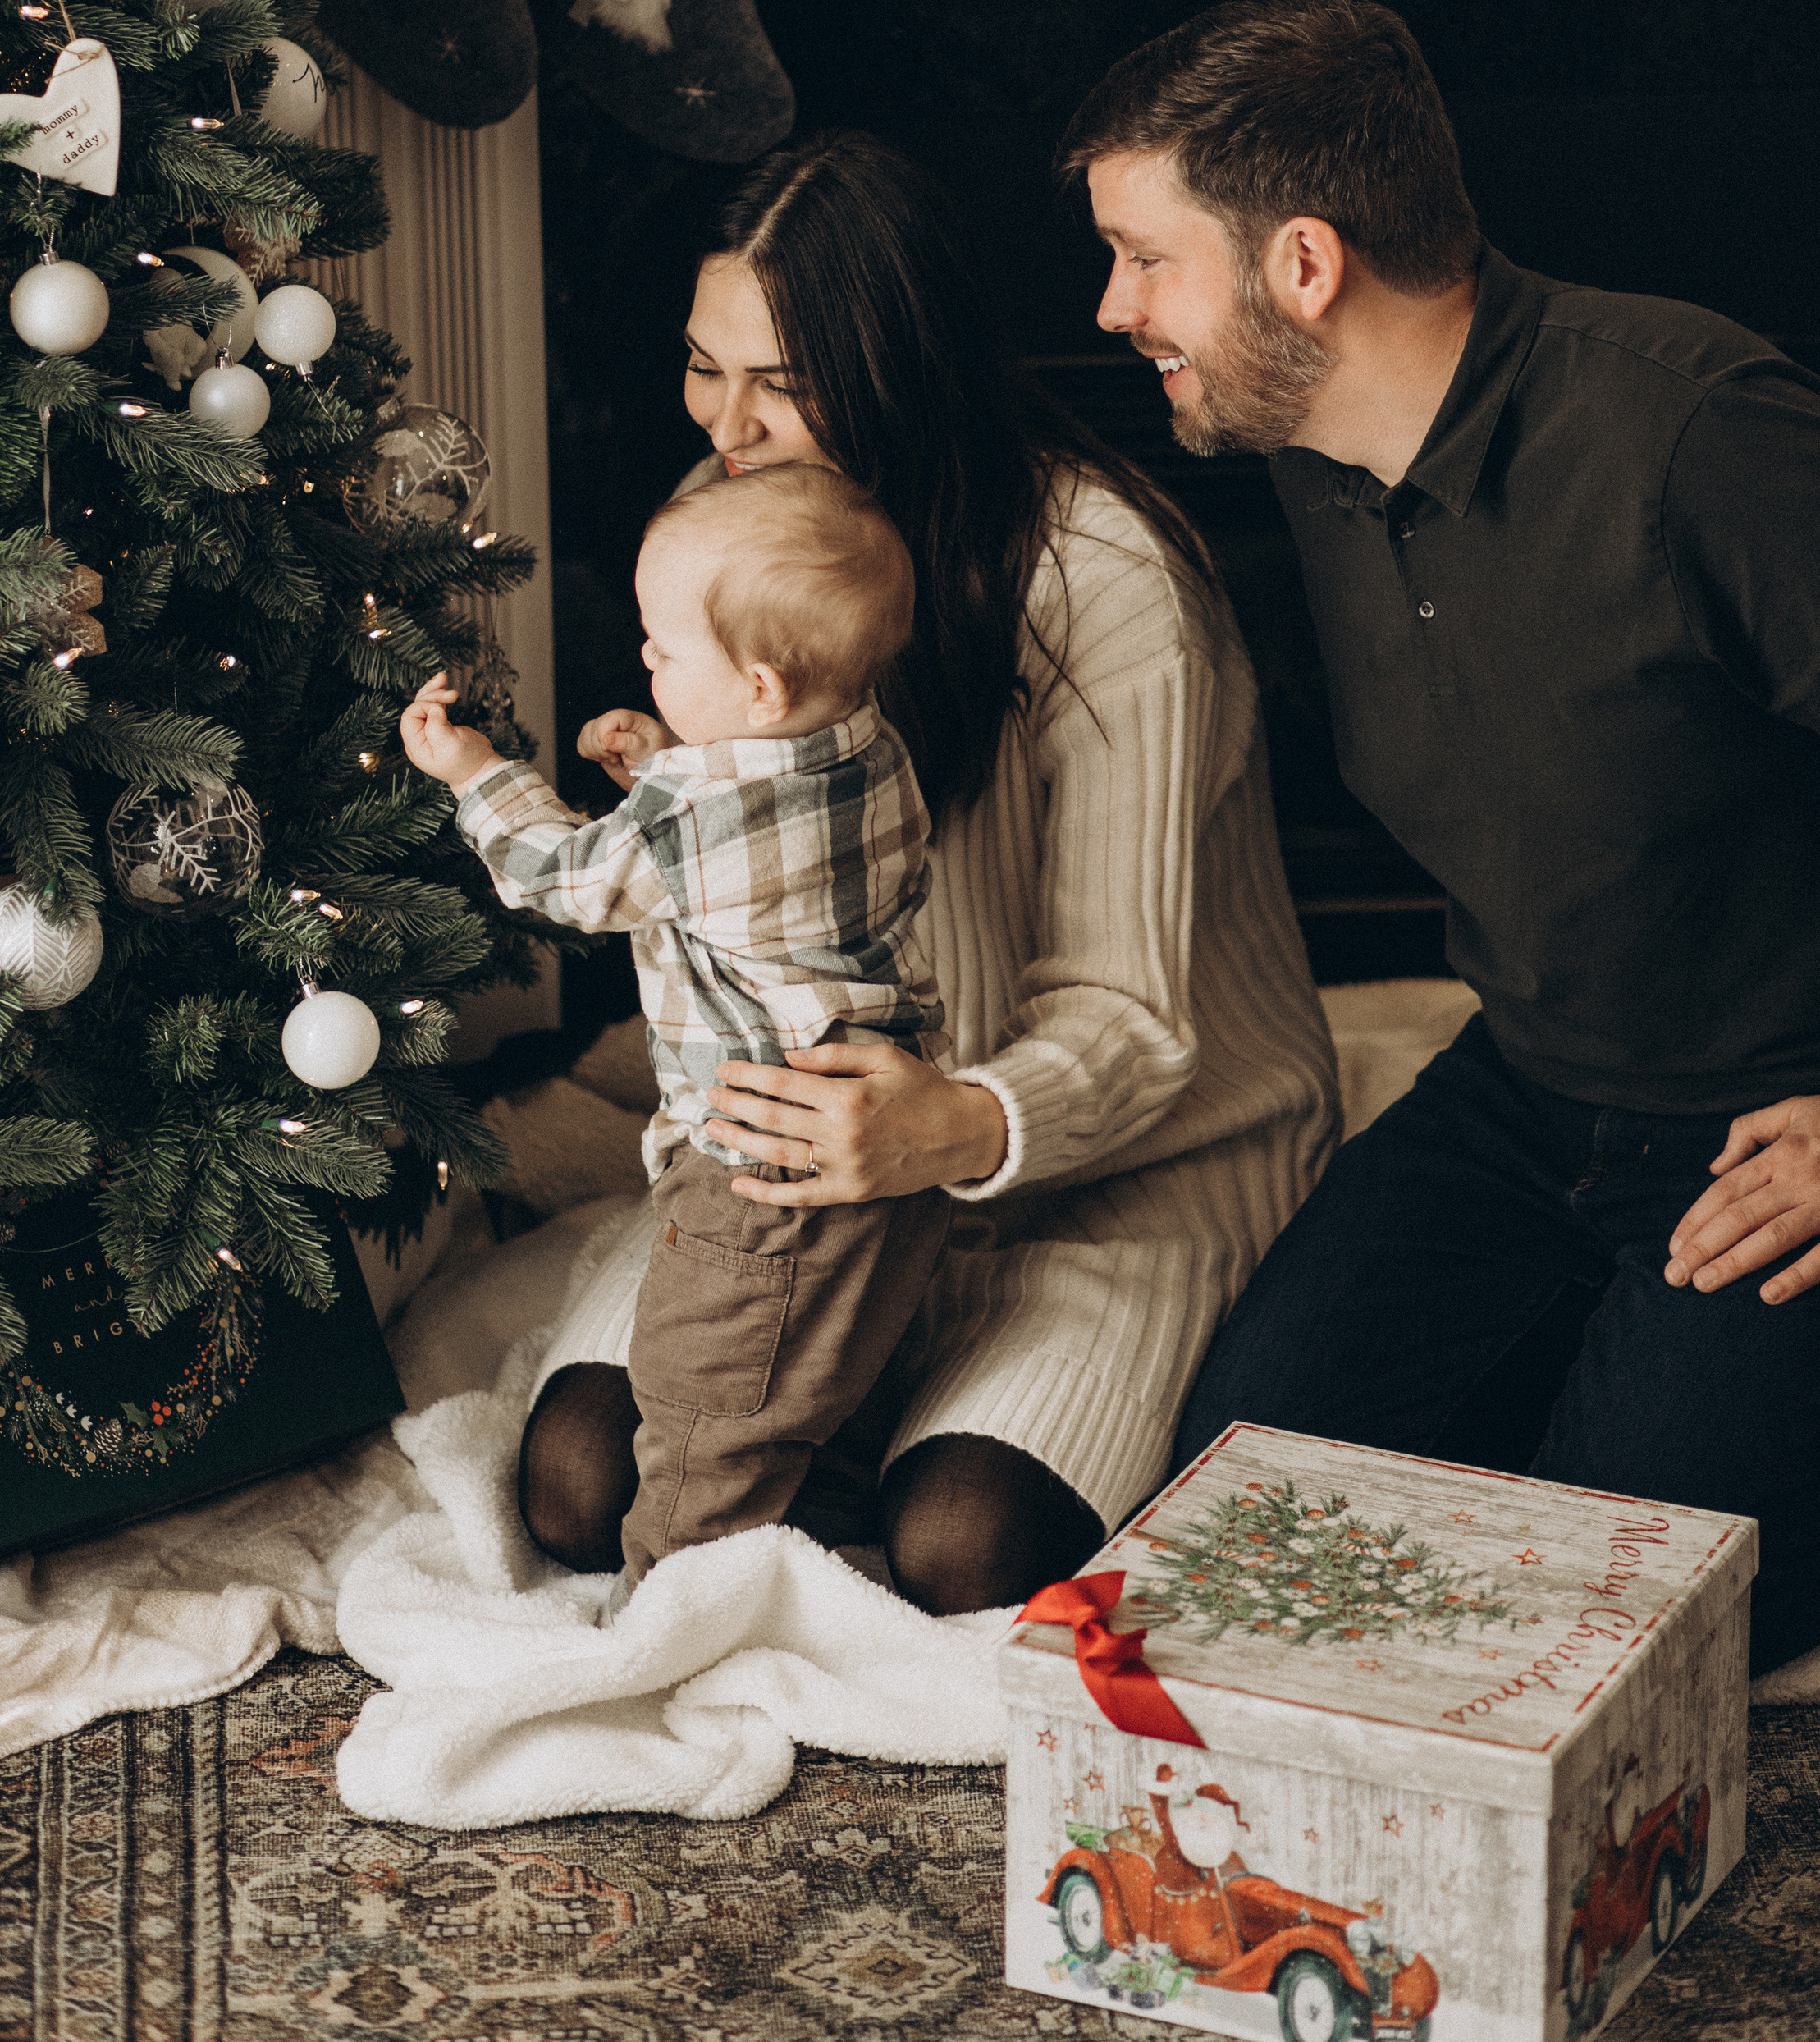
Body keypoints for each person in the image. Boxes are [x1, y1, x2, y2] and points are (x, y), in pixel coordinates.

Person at [1061, 0, 1820, 1675]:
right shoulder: (1313, 446)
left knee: (1615, 1622)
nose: (1110, 308)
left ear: (1302, 266)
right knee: (1242, 1512)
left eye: (1141, 255)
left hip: (1819, 1100)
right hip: (1536, 1088)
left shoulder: (1692, 439)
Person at [511, 130, 1342, 1613]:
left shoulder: (1106, 580)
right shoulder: (743, 525)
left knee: (962, 1547)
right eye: (708, 368)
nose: (734, 426)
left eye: (786, 380)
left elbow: (1131, 1016)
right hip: (821, 1175)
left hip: (1121, 1161)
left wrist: (951, 1124)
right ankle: (830, 1400)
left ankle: (886, 1420)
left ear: (904, 370)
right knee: (581, 1489)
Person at [402, 467, 948, 1593]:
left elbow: (567, 878)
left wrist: (476, 774)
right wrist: (663, 762)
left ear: (755, 688)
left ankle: (671, 1620)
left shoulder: (696, 819)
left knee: (700, 1406)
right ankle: (814, 1536)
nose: (645, 656)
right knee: (824, 1371)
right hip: (883, 1139)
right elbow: (754, 855)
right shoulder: (870, 748)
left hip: (756, 1176)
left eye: (663, 646)